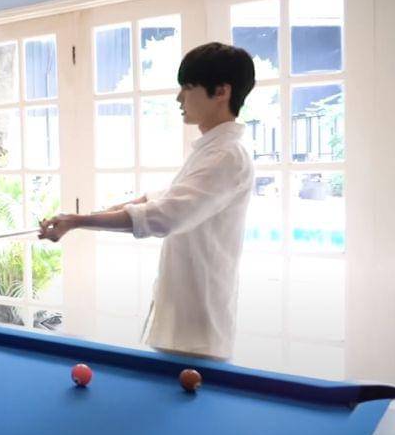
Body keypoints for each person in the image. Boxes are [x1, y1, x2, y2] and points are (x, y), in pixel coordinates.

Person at [39, 42, 256, 360]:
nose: (179, 98)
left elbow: (165, 215)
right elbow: (158, 199)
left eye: (188, 87)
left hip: (199, 325)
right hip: (183, 316)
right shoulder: (212, 151)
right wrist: (79, 218)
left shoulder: (226, 156)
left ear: (221, 91)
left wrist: (78, 222)